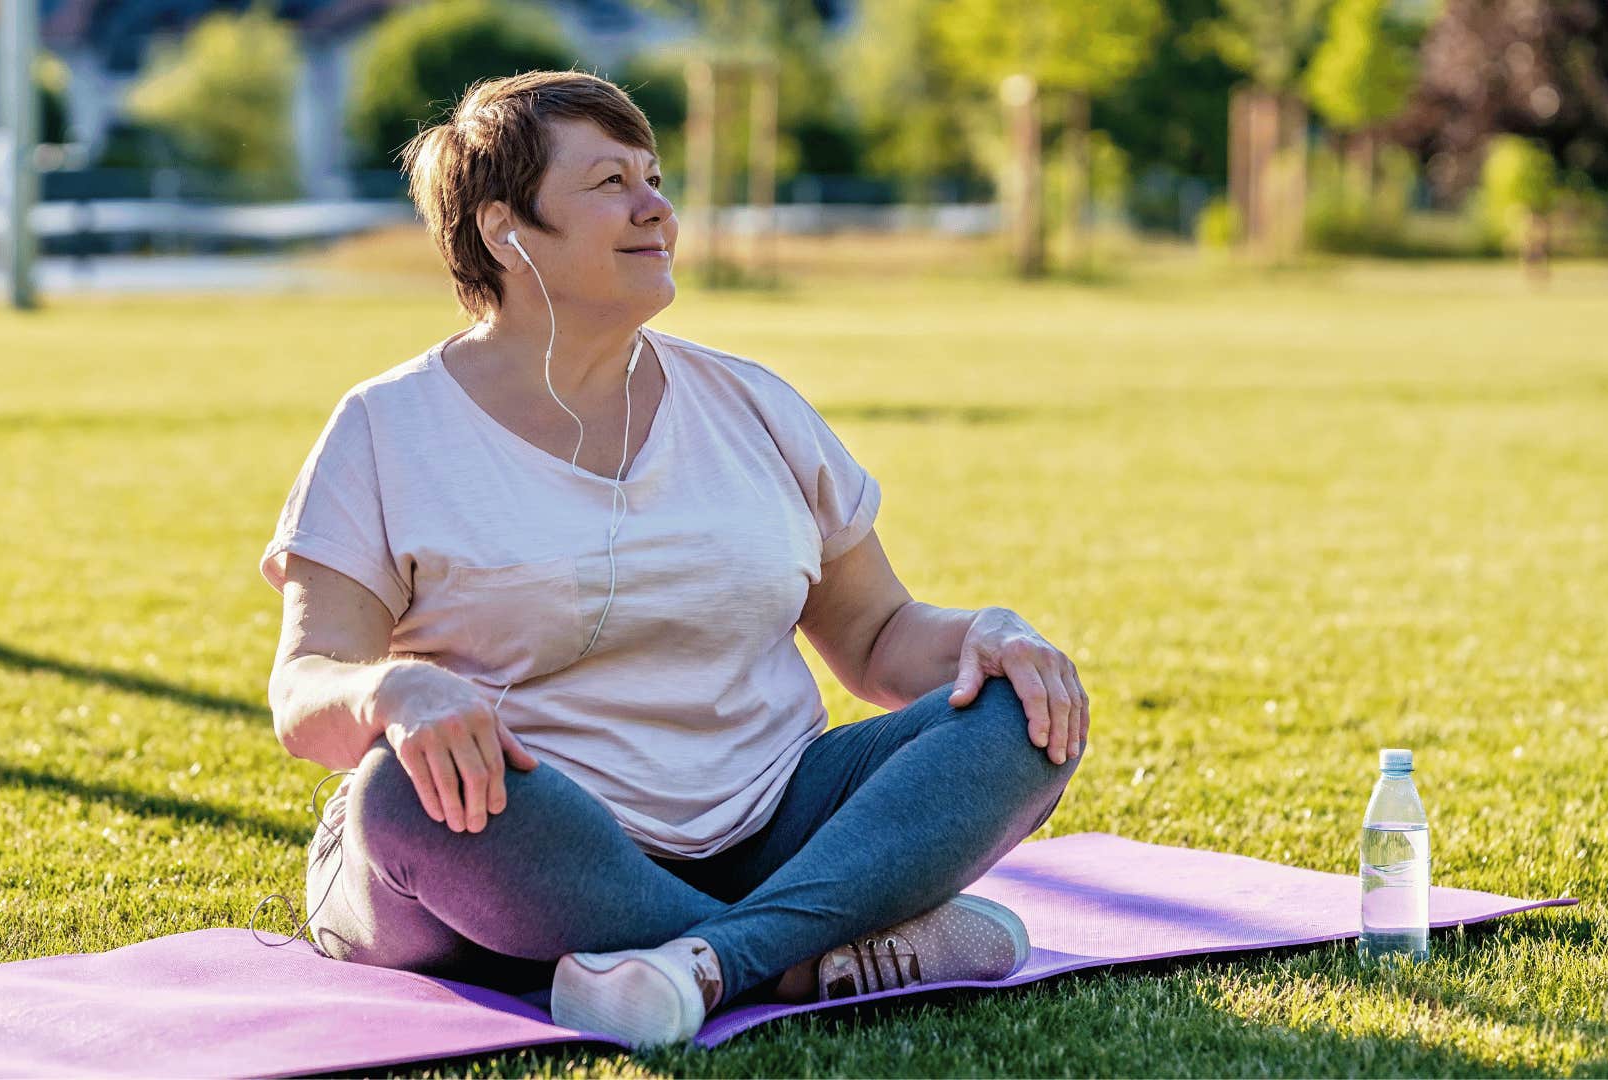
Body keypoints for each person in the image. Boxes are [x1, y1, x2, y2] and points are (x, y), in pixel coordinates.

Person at [258, 70, 1091, 1049]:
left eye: (654, 177)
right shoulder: (387, 428)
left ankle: (706, 961)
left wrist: (990, 635)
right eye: (610, 181)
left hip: (766, 830)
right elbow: (305, 691)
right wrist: (392, 692)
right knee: (400, 794)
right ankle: (803, 951)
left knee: (1017, 711)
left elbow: (878, 638)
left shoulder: (749, 404)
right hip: (520, 848)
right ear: (503, 231)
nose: (657, 206)